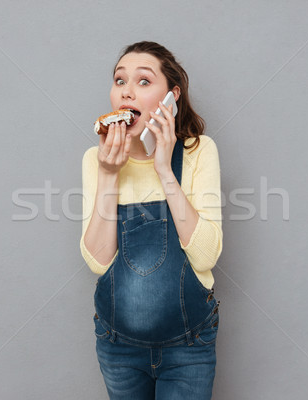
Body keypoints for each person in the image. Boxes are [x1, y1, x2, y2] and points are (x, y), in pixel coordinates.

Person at [80, 41, 223, 400]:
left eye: (144, 81)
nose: (127, 91)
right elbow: (97, 261)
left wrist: (164, 169)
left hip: (189, 346)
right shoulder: (95, 159)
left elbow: (206, 256)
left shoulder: (198, 152)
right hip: (118, 348)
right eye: (119, 80)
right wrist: (109, 174)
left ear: (171, 96)